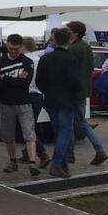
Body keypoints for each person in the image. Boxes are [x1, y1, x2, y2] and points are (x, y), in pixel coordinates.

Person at [36, 28, 81, 178]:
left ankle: (63, 165)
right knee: (65, 133)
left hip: (50, 99)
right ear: (69, 40)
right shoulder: (71, 59)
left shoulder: (45, 58)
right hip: (66, 100)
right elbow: (75, 81)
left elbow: (39, 81)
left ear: (54, 40)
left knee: (58, 131)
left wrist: (47, 90)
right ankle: (56, 164)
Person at [66, 21, 108, 166]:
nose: (66, 31)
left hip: (73, 91)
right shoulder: (86, 47)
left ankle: (72, 153)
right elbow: (90, 69)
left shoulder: (73, 49)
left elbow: (70, 72)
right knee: (79, 121)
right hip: (84, 89)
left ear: (75, 33)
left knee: (73, 122)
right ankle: (97, 149)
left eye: (68, 29)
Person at [0, 34, 41, 176]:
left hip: (23, 102)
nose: (13, 52)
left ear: (21, 47)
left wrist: (6, 79)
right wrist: (13, 80)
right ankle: (13, 160)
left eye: (16, 49)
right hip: (6, 102)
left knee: (29, 133)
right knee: (8, 135)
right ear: (7, 45)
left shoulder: (27, 62)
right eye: (11, 49)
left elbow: (25, 82)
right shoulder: (0, 61)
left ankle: (33, 162)